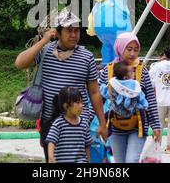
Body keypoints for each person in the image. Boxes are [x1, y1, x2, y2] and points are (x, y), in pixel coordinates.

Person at [15, 9, 107, 162]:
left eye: (76, 31)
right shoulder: (45, 51)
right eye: (68, 30)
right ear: (57, 32)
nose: (73, 35)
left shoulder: (86, 57)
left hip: (78, 122)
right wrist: (44, 41)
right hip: (50, 120)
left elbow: (94, 92)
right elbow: (20, 63)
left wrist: (102, 124)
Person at [99, 32, 161, 163]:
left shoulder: (141, 70)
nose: (132, 53)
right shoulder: (108, 70)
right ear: (120, 48)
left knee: (131, 160)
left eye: (136, 50)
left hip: (138, 126)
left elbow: (150, 98)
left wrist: (156, 126)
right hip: (114, 126)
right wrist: (99, 124)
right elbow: (99, 98)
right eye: (129, 49)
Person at [46, 87, 94, 163]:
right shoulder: (58, 123)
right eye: (78, 102)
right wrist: (51, 157)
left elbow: (87, 144)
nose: (81, 105)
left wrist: (88, 160)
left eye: (82, 102)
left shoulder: (84, 123)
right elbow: (51, 141)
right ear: (66, 106)